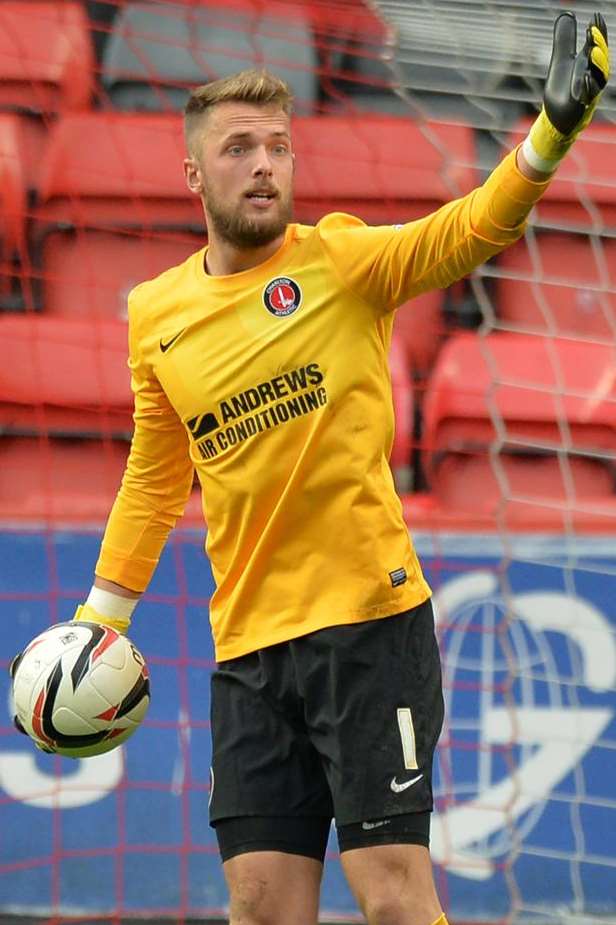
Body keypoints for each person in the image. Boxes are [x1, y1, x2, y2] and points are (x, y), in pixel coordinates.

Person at [12, 11, 609, 925]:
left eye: (279, 146)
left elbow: (468, 230)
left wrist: (549, 134)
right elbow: (154, 471)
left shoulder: (340, 262)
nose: (263, 163)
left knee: (394, 894)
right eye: (240, 147)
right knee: (258, 903)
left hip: (370, 626)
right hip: (249, 646)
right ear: (192, 173)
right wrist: (101, 618)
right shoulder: (156, 313)